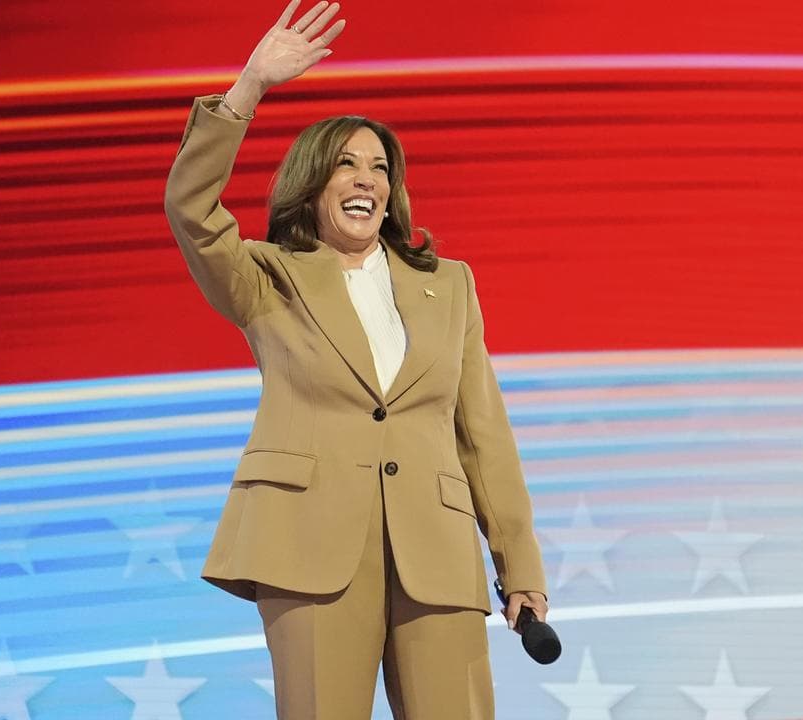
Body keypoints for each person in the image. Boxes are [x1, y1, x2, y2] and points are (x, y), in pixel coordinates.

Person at [164, 2, 548, 717]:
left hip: (433, 552)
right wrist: (249, 88)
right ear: (312, 184)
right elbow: (190, 208)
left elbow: (482, 434)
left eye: (380, 167)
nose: (366, 178)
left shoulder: (449, 284)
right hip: (309, 549)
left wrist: (518, 563)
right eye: (346, 165)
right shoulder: (267, 275)